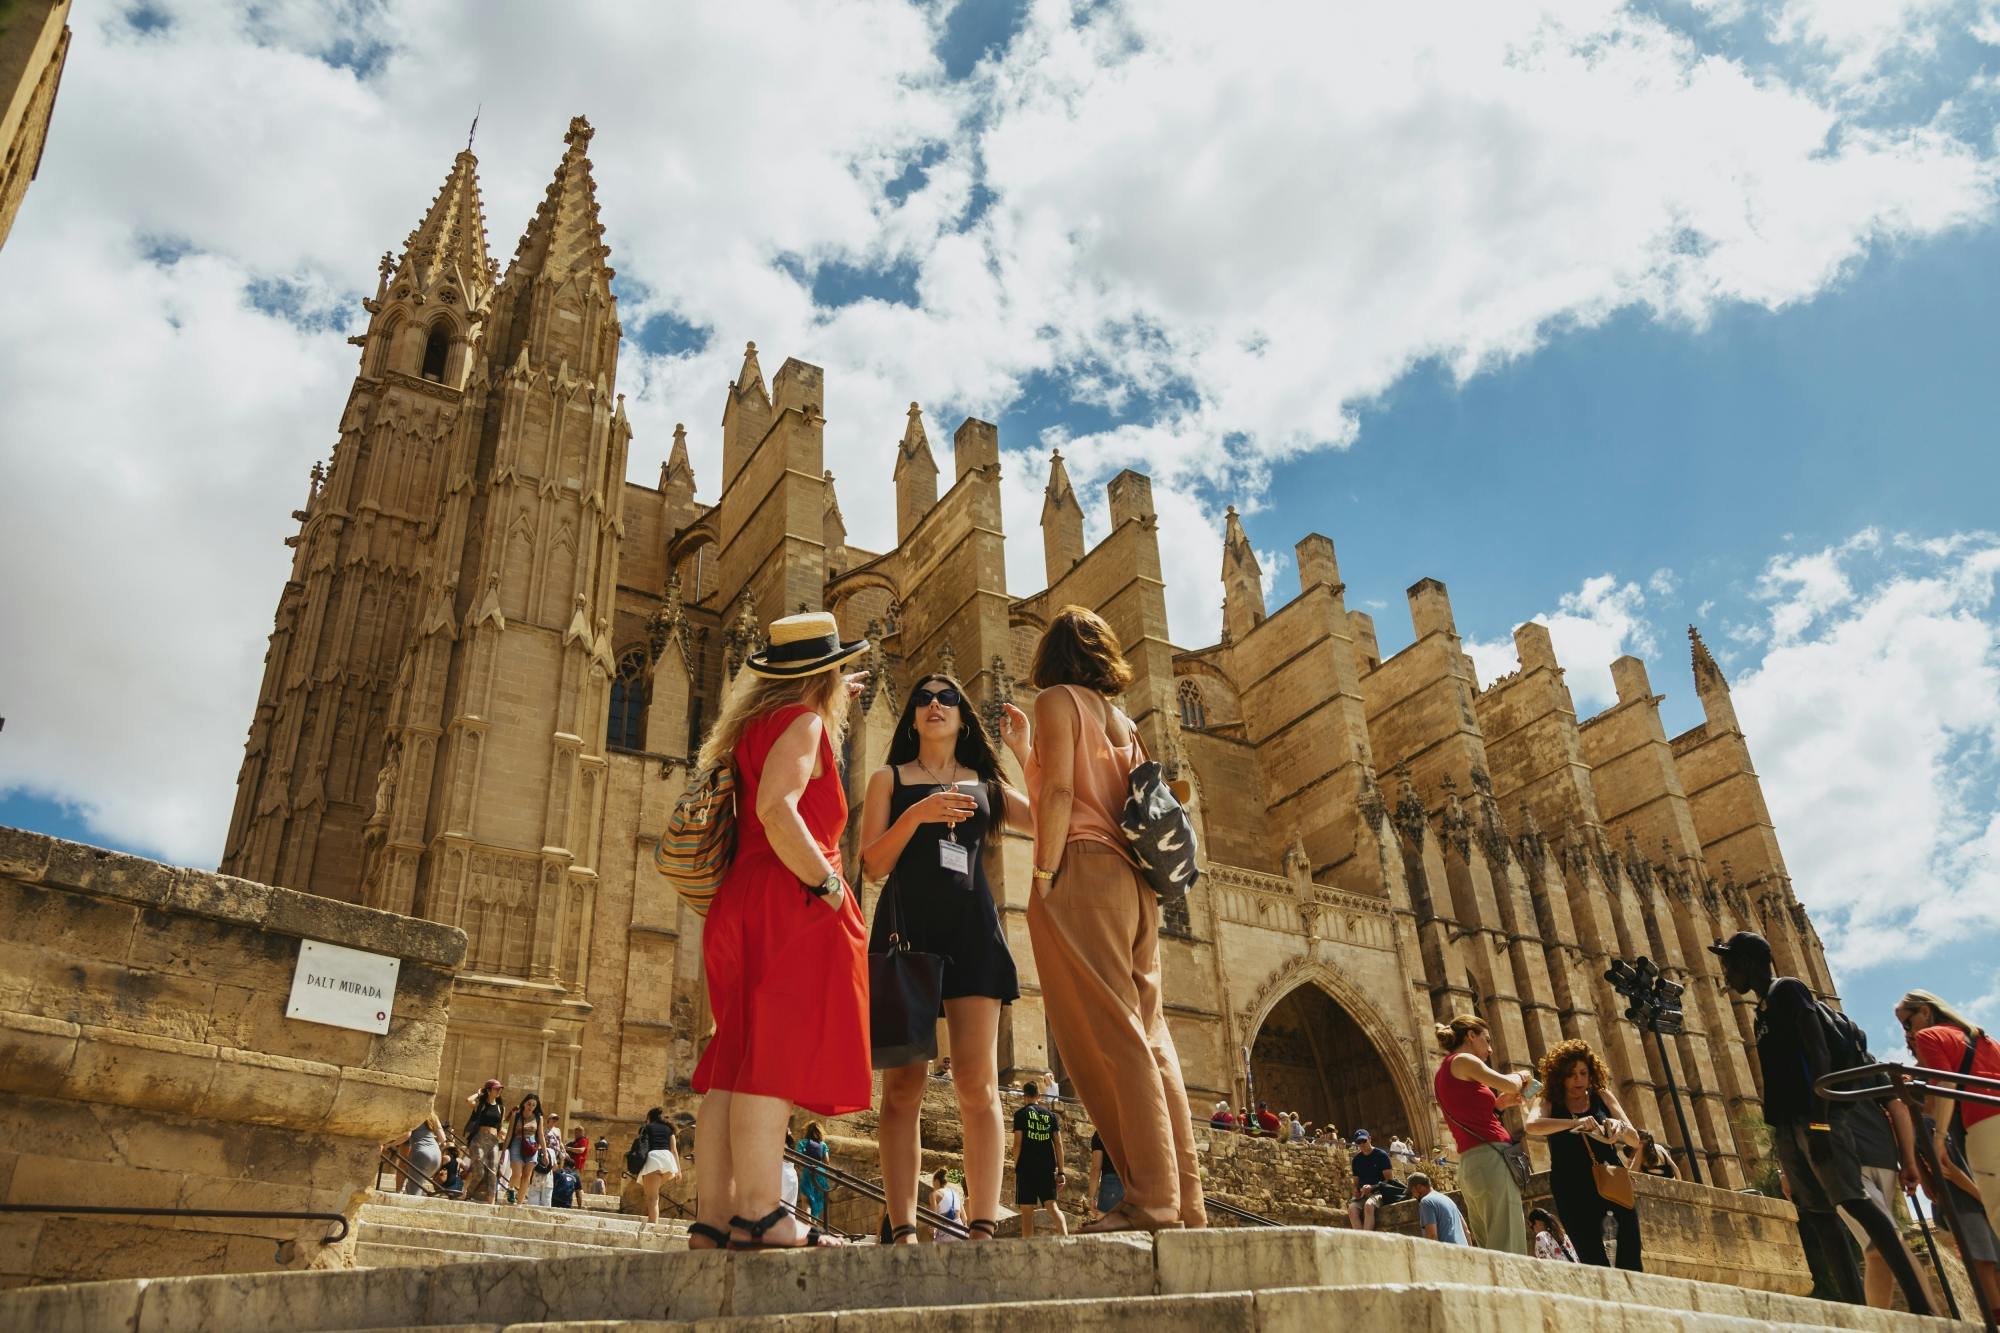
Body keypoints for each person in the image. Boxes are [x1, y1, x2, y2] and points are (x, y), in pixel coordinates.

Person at [1011, 606, 1205, 1232]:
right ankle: (1187, 1202)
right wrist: (1025, 756)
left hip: (1084, 869)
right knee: (1152, 1039)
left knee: (1112, 1036)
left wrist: (1043, 875)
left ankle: (1149, 1199)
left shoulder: (1055, 701)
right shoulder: (1125, 721)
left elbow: (1063, 797)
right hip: (1138, 885)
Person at [685, 614, 872, 1252]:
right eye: (840, 672)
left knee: (734, 1057)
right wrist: (825, 885)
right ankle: (765, 1213)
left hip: (740, 899)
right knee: (774, 1055)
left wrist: (832, 697)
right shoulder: (806, 723)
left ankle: (713, 1220)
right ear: (825, 674)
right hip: (788, 900)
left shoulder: (754, 727)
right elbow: (777, 807)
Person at [859, 672, 1029, 1246]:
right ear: (911, 717)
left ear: (961, 716)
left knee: (977, 1085)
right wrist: (918, 816)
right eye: (924, 698)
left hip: (973, 935)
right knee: (902, 1088)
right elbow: (872, 865)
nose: (935, 705)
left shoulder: (984, 783)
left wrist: (1026, 753)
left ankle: (982, 1225)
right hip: (908, 936)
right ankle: (904, 1228)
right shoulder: (890, 778)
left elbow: (1054, 812)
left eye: (947, 698)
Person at [1712, 931, 1933, 1314]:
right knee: (1819, 1216)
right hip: (1787, 1124)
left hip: (1812, 1119)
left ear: (1748, 963)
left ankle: (1921, 1305)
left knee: (1854, 1201)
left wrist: (1820, 1122)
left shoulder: (1788, 991)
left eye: (1729, 964)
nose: (1726, 973)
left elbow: (1817, 1052)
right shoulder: (1763, 1008)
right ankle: (1852, 1309)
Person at [1526, 1038, 1642, 1270]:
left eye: (1583, 1072)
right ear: (1560, 1076)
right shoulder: (1548, 1100)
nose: (1578, 1079)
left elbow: (1635, 1140)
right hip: (1571, 1186)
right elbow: (1532, 1126)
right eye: (1571, 1074)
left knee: (1630, 1252)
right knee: (1591, 1257)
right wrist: (1574, 1123)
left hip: (1610, 1181)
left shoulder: (1603, 1096)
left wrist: (1619, 1127)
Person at [1899, 988, 2000, 1237]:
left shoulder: (1930, 1037)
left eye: (1907, 1023)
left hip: (1982, 1123)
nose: (1909, 1033)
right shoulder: (1981, 1037)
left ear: (1925, 1011)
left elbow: (1946, 1086)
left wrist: (1939, 1137)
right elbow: (1932, 1107)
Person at [1434, 1014, 1529, 1255]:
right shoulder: (1464, 1060)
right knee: (1509, 1246)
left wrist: (1498, 1106)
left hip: (1471, 1164)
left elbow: (1471, 1119)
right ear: (1471, 1035)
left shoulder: (1443, 1072)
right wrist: (1522, 1076)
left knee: (1490, 1247)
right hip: (1491, 1161)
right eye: (1486, 1040)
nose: (1490, 1049)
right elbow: (1510, 1083)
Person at [1012, 1081, 1067, 1236]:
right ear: (1038, 1095)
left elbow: (1017, 1145)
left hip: (1026, 1168)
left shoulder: (1020, 1115)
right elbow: (1058, 1144)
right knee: (1053, 1207)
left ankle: (1028, 1250)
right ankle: (1066, 1239)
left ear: (1024, 1096)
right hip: (1046, 1168)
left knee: (1027, 1213)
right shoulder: (1050, 1116)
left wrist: (1016, 1168)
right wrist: (1061, 1171)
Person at [461, 1078, 506, 1204]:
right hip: (479, 1138)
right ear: (489, 1090)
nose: (499, 1091)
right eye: (496, 1088)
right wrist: (479, 1093)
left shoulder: (501, 1108)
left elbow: (500, 1126)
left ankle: (491, 1201)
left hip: (493, 1140)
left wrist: (503, 1134)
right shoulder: (481, 1105)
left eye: (500, 1089)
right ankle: (468, 1194)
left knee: (493, 1170)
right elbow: (468, 1101)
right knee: (479, 1171)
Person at [635, 1107, 681, 1223]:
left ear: (649, 1118)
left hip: (654, 1160)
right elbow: (674, 1150)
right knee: (652, 1194)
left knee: (653, 1198)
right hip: (668, 1162)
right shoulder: (669, 1129)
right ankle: (650, 1215)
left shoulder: (647, 1128)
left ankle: (652, 1227)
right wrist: (679, 1171)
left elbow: (641, 1145)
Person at [388, 1108, 446, 1196]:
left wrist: (390, 1144)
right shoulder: (433, 1116)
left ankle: (400, 1191)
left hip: (421, 1154)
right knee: (415, 1186)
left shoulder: (414, 1113)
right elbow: (443, 1138)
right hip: (437, 1156)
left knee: (414, 1194)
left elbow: (407, 1135)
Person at [1347, 1129, 1395, 1231]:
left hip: (1379, 1192)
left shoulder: (1381, 1155)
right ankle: (1362, 1240)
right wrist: (1355, 1190)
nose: (1362, 1144)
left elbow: (1390, 1181)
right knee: (1351, 1209)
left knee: (1369, 1206)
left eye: (1364, 1141)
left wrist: (1372, 1187)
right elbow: (1356, 1183)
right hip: (1363, 1194)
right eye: (1359, 1142)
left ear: (1369, 1139)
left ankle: (1367, 1238)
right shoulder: (1356, 1160)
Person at [505, 1092, 544, 1205]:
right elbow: (509, 1134)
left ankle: (520, 1203)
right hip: (517, 1143)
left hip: (532, 1145)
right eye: (529, 1104)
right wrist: (504, 1152)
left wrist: (545, 1153)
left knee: (527, 1175)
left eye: (533, 1105)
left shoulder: (538, 1117)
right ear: (524, 1103)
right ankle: (511, 1188)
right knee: (517, 1174)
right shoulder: (516, 1115)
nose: (530, 1107)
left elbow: (541, 1135)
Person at [1409, 1173, 1467, 1245]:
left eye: (1412, 1192)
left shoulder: (1426, 1202)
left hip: (1448, 1254)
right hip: (1464, 1251)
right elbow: (1466, 1231)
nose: (1413, 1196)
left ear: (1419, 1187)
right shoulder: (1447, 1199)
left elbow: (1432, 1236)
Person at [797, 1122, 832, 1228]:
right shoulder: (823, 1145)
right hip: (820, 1174)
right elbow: (827, 1162)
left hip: (808, 1171)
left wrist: (800, 1169)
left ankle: (807, 1228)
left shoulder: (802, 1143)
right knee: (816, 1201)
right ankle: (814, 1228)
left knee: (806, 1200)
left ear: (807, 1131)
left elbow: (798, 1159)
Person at [1089, 1129, 1125, 1218]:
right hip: (1133, 1184)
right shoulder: (1134, 1130)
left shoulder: (1101, 1133)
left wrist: (1092, 1197)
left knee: (1106, 1227)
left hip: (1110, 1186)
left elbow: (1096, 1169)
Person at [930, 1169, 965, 1242]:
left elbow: (934, 1218)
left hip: (946, 1233)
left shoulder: (935, 1194)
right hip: (961, 1233)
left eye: (933, 1183)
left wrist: (931, 1232)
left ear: (936, 1181)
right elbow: (965, 1218)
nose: (933, 1186)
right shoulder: (955, 1193)